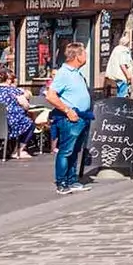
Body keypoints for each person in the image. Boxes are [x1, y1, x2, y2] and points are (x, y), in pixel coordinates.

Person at [43, 42, 93, 194]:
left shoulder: (77, 72)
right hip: (69, 119)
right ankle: (62, 183)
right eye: (84, 53)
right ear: (77, 56)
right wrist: (67, 110)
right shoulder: (64, 73)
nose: (86, 57)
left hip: (82, 117)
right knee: (66, 151)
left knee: (75, 150)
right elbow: (51, 96)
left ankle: (72, 180)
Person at [0, 67, 37, 160]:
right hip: (7, 124)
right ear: (9, 80)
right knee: (29, 123)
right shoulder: (13, 91)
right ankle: (18, 151)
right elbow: (26, 105)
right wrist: (25, 95)